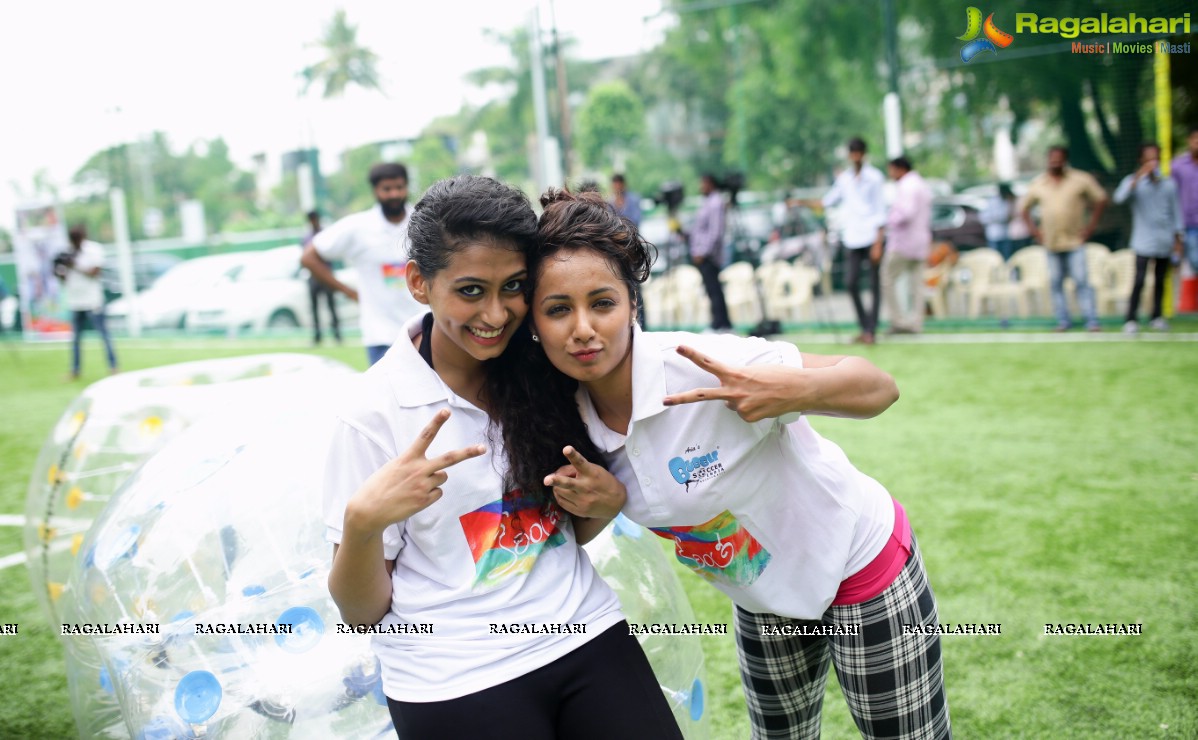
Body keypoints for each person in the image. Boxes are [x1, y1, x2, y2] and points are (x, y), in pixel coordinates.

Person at [510, 188, 950, 739]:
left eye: (602, 302)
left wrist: (793, 389)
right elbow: (578, 527)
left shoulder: (708, 366)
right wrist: (612, 504)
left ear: (632, 305)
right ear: (533, 322)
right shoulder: (556, 419)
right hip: (763, 601)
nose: (583, 328)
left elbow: (878, 388)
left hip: (860, 570)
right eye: (558, 309)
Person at [322, 176, 683, 740]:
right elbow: (360, 612)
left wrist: (605, 502)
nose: (496, 314)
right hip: (452, 675)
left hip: (583, 632)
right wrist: (364, 523)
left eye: (513, 286)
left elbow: (553, 533)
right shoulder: (373, 414)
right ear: (419, 282)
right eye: (470, 290)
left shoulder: (548, 364)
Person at [302, 163, 424, 365]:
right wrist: (348, 292)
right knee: (387, 396)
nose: (394, 194)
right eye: (387, 189)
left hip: (425, 330)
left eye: (399, 187)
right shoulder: (358, 227)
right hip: (382, 336)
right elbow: (309, 257)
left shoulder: (423, 223)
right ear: (375, 190)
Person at [1022, 145, 1108, 332]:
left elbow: (1101, 199)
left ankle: (1091, 320)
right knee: (1055, 283)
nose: (1055, 162)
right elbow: (1023, 209)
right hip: (1051, 243)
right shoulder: (1039, 183)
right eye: (1052, 158)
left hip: (1075, 241)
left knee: (1081, 281)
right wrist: (1036, 232)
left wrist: (1091, 226)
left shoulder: (1080, 179)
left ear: (1065, 160)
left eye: (1058, 158)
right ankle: (1063, 321)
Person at [821, 137, 886, 345]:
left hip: (871, 236)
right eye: (853, 152)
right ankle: (864, 325)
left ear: (864, 154)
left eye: (859, 152)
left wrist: (878, 242)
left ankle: (871, 330)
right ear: (850, 155)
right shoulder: (844, 179)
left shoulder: (875, 177)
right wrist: (799, 202)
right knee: (851, 283)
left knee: (875, 284)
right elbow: (827, 201)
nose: (856, 156)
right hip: (852, 237)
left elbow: (880, 211)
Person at [1114, 143, 1184, 333]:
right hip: (1142, 241)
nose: (1153, 162)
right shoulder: (1134, 183)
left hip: (1164, 241)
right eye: (1149, 158)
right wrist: (1139, 176)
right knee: (1139, 281)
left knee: (1161, 281)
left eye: (1156, 158)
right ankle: (1131, 319)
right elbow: (1119, 198)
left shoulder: (1169, 184)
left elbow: (1176, 215)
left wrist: (1178, 242)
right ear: (1141, 161)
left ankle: (1157, 317)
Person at [56, 225, 118, 380]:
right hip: (75, 301)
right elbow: (62, 277)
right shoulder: (66, 251)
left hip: (92, 300)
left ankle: (113, 366)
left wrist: (75, 265)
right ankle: (75, 370)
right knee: (76, 338)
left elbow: (95, 272)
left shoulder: (93, 250)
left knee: (104, 335)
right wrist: (58, 269)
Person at [881, 156, 934, 335]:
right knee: (917, 285)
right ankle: (916, 323)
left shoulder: (907, 185)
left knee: (887, 278)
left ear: (899, 169)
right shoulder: (921, 184)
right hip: (920, 241)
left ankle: (899, 321)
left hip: (904, 243)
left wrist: (889, 219)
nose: (890, 174)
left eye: (891, 170)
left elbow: (906, 212)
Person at [688, 173, 733, 332]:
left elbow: (715, 231)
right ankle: (722, 322)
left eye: (704, 183)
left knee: (714, 290)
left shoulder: (715, 202)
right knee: (712, 289)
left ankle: (719, 324)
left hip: (709, 255)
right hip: (703, 253)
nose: (701, 187)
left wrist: (704, 252)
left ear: (710, 184)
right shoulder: (708, 202)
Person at [608, 174, 646, 327]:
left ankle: (643, 324)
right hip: (617, 251)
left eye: (619, 183)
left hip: (633, 249)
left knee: (637, 286)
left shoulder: (634, 200)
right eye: (615, 184)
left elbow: (635, 221)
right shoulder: (609, 203)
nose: (617, 187)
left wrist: (622, 231)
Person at [302, 210, 342, 346]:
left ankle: (337, 335)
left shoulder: (326, 235)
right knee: (314, 309)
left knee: (331, 307)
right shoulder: (306, 237)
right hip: (313, 277)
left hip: (326, 275)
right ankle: (317, 336)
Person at [1172, 126, 1198, 274]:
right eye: (1195, 139)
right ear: (1189, 140)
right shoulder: (1178, 165)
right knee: (1194, 260)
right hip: (1188, 224)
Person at [980, 183, 1017, 259]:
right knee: (995, 258)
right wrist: (998, 218)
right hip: (994, 235)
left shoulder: (1007, 201)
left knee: (1007, 258)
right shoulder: (991, 201)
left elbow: (1009, 217)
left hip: (1005, 235)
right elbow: (983, 218)